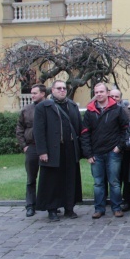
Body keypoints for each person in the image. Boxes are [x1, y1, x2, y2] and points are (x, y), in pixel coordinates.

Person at [33, 80, 83, 221]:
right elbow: (39, 131)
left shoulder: (72, 106)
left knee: (70, 179)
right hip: (52, 149)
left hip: (70, 148)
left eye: (64, 88)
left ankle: (69, 208)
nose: (62, 90)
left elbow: (79, 128)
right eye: (59, 88)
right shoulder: (43, 107)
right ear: (52, 90)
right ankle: (52, 209)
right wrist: (42, 151)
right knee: (52, 180)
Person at [81, 83, 129, 219]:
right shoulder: (90, 111)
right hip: (96, 153)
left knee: (114, 182)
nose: (99, 94)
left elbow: (125, 130)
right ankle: (99, 208)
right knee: (98, 183)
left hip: (113, 152)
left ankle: (116, 207)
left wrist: (119, 147)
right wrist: (88, 153)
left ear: (107, 93)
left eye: (101, 91)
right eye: (96, 92)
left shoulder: (118, 109)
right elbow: (85, 133)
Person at [16, 83, 46, 217]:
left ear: (43, 94)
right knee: (31, 178)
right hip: (31, 147)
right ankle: (30, 205)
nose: (32, 95)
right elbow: (19, 128)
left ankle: (48, 203)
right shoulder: (26, 109)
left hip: (46, 148)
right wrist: (24, 145)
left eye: (35, 93)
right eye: (32, 93)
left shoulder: (49, 107)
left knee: (48, 178)